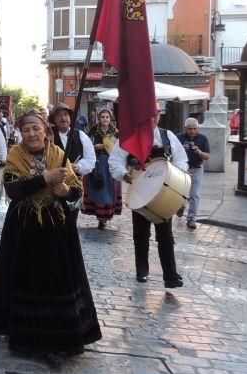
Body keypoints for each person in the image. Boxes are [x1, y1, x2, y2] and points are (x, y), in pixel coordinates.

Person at [0, 110, 101, 359]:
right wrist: (44, 178)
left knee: (57, 281)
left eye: (36, 129)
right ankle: (28, 335)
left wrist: (66, 191)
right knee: (26, 278)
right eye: (26, 130)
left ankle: (59, 337)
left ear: (46, 131)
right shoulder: (16, 155)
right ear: (20, 133)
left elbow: (76, 195)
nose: (32, 134)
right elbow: (14, 190)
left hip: (57, 231)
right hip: (24, 231)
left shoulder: (59, 155)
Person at [109, 103, 189, 287]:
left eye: (154, 115)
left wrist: (175, 173)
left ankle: (170, 276)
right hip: (139, 192)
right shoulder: (128, 137)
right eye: (147, 115)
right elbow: (115, 161)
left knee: (166, 235)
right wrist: (125, 174)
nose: (151, 119)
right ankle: (142, 271)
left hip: (164, 193)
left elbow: (182, 159)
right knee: (140, 234)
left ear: (159, 115)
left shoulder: (168, 136)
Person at [82, 108, 122, 229]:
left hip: (111, 164)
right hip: (98, 163)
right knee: (99, 189)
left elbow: (120, 149)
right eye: (103, 117)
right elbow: (86, 146)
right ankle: (100, 217)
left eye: (107, 117)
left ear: (110, 119)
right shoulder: (93, 131)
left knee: (110, 190)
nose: (105, 119)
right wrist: (95, 146)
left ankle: (106, 216)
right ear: (99, 118)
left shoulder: (116, 132)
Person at [177, 117, 210, 229]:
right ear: (185, 128)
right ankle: (180, 206)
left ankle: (191, 219)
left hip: (197, 169)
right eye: (190, 129)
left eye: (195, 128)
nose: (192, 131)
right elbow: (172, 152)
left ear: (198, 128)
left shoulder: (203, 139)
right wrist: (181, 148)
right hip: (182, 169)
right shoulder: (179, 137)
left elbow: (207, 156)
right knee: (180, 192)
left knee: (194, 195)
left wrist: (199, 152)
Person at [49, 102, 96, 180]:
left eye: (65, 114)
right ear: (54, 119)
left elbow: (90, 159)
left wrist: (79, 166)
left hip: (76, 182)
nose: (63, 118)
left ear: (70, 117)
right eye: (59, 115)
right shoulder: (48, 136)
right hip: (54, 183)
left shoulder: (80, 135)